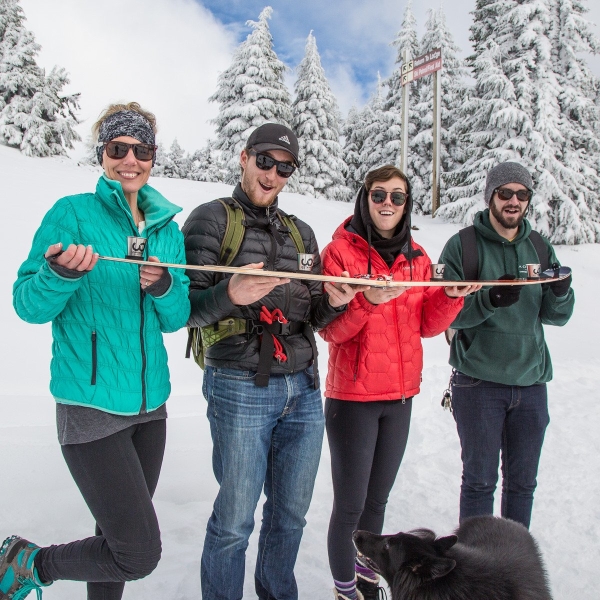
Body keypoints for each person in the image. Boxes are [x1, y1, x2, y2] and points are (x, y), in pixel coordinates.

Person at [3, 102, 190, 600]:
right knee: (137, 552)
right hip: (89, 405)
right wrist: (60, 275)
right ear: (102, 154)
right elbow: (27, 304)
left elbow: (177, 317)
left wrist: (166, 286)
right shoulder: (72, 213)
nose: (130, 159)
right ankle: (29, 563)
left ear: (153, 156)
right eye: (118, 148)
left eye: (141, 149)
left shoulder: (167, 230)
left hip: (151, 410)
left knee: (115, 543)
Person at [182, 123, 361, 600]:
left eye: (285, 167)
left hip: (302, 386)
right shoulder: (210, 221)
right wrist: (230, 292)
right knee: (236, 519)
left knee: (290, 514)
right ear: (244, 157)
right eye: (265, 161)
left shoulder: (300, 232)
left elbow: (316, 314)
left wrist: (338, 300)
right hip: (239, 383)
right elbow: (184, 308)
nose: (273, 174)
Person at [319, 165, 479, 600]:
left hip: (401, 397)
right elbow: (331, 331)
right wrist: (367, 301)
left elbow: (427, 324)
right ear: (364, 198)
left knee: (377, 503)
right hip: (352, 398)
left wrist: (451, 298)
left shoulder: (419, 258)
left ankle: (367, 578)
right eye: (379, 195)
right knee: (350, 506)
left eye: (397, 197)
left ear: (406, 204)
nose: (387, 204)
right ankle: (346, 589)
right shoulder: (339, 253)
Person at [438, 161, 574, 529]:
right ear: (490, 196)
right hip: (478, 383)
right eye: (505, 193)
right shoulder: (463, 245)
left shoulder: (540, 247)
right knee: (480, 484)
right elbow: (442, 313)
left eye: (522, 194)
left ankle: (513, 569)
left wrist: (561, 294)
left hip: (531, 385)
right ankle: (476, 571)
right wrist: (487, 299)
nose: (514, 201)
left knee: (522, 486)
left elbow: (556, 316)